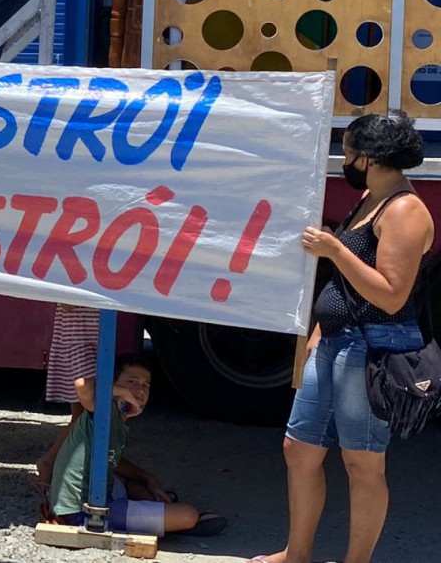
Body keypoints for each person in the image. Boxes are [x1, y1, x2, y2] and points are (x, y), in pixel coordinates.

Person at [250, 112, 434, 563]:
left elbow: (391, 295)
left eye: (348, 153)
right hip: (335, 340)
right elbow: (346, 285)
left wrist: (333, 250)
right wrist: (321, 328)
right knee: (299, 449)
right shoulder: (371, 198)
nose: (344, 161)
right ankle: (297, 554)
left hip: (370, 347)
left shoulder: (405, 210)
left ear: (368, 158)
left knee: (362, 461)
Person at [49, 356, 226, 538]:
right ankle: (170, 522)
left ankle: (161, 516)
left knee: (133, 484)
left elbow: (112, 460)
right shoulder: (104, 410)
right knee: (189, 515)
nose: (140, 390)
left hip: (94, 496)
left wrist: (149, 479)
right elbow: (81, 385)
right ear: (113, 385)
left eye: (145, 386)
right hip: (82, 512)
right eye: (131, 382)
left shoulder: (119, 420)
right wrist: (123, 393)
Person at [31, 303, 99, 498]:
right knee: (87, 412)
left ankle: (56, 463)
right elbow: (68, 304)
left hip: (88, 338)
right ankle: (50, 461)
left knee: (82, 414)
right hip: (79, 339)